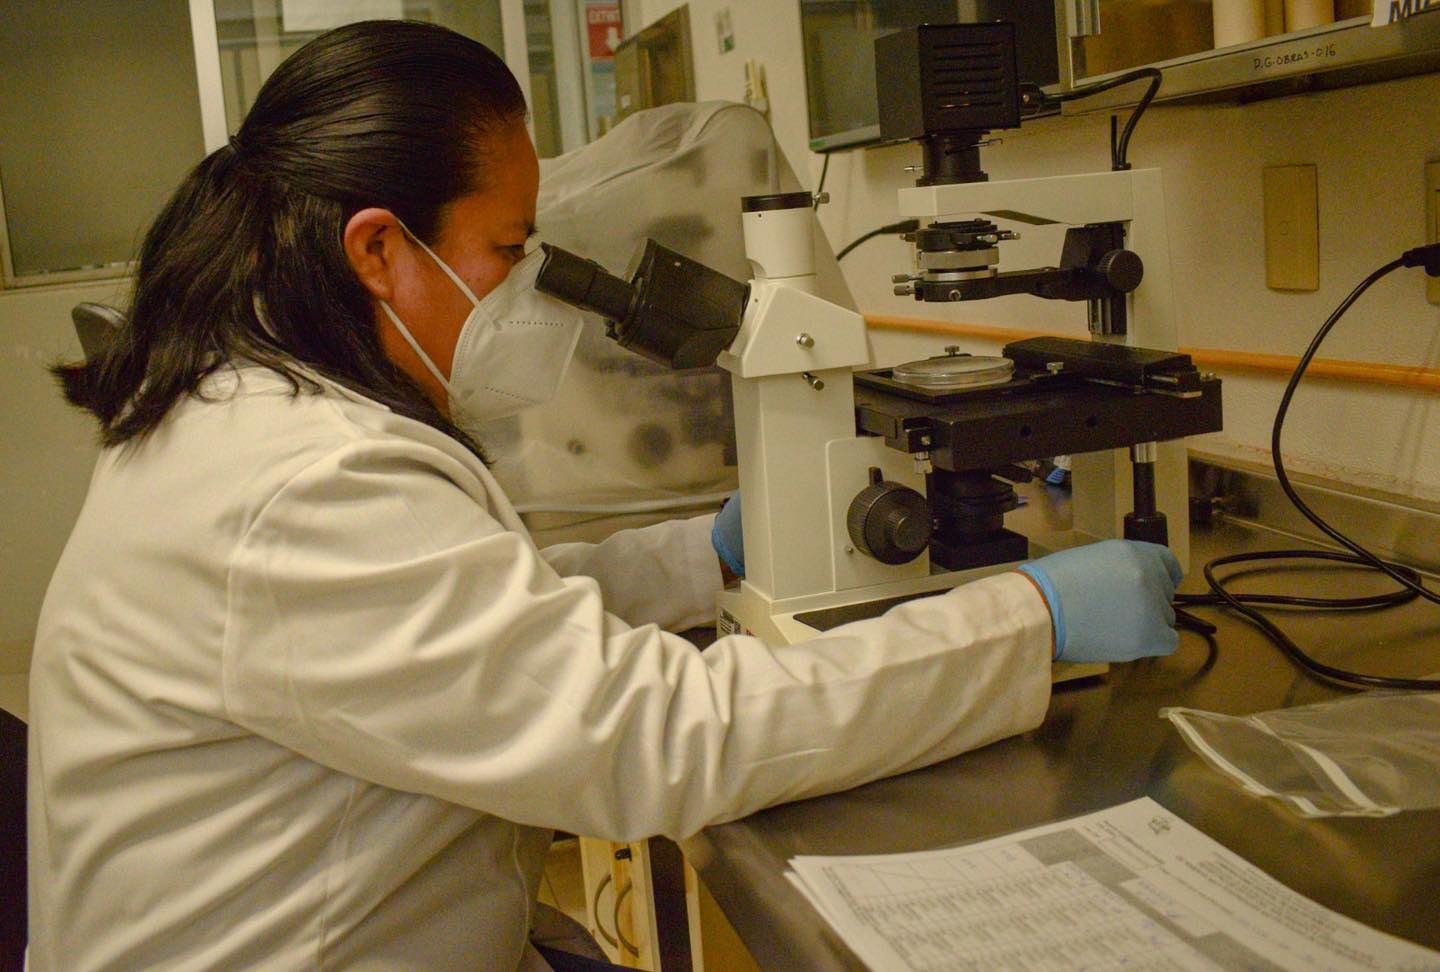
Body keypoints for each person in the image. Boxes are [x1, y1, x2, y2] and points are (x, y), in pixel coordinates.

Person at [28, 20, 1182, 972]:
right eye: (506, 248)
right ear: (377, 250)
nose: (525, 288)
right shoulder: (303, 482)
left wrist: (702, 555)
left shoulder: (244, 407)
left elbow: (458, 626)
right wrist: (1027, 621)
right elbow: (654, 741)